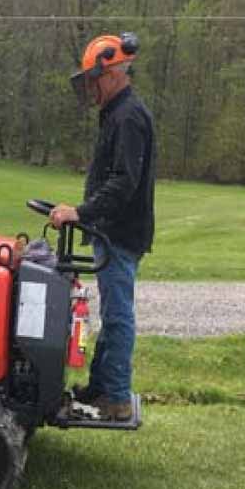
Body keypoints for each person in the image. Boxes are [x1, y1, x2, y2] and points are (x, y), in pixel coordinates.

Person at [49, 33, 156, 421]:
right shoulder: (118, 114)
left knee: (117, 315)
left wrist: (81, 212)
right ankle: (101, 387)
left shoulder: (128, 117)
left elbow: (124, 182)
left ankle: (115, 395)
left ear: (111, 74)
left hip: (121, 233)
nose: (91, 88)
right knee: (111, 311)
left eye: (94, 80)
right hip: (112, 230)